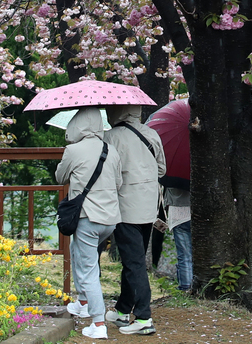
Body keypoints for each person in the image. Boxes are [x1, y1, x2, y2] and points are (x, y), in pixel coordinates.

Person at [57, 107, 121, 341]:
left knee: (88, 269)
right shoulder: (110, 150)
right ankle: (83, 302)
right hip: (110, 219)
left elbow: (60, 177)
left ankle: (98, 323)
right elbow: (119, 181)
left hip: (87, 217)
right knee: (81, 256)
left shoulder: (73, 149)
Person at [103, 105, 164, 336]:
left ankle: (143, 317)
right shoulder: (151, 133)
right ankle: (121, 310)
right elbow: (161, 169)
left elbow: (107, 170)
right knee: (134, 259)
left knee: (133, 262)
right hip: (148, 206)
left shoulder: (110, 137)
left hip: (125, 206)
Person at [163, 185, 192, 292]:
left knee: (184, 255)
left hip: (178, 212)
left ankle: (186, 287)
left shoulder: (173, 169)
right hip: (201, 211)